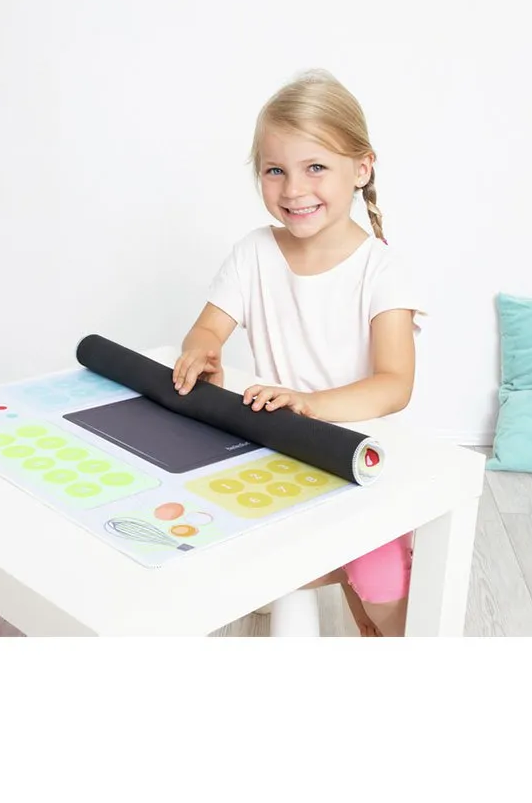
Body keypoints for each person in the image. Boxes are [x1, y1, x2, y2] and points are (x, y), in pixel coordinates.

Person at [172, 69, 425, 636]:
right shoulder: (254, 253)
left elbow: (394, 385)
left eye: (315, 167)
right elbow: (206, 329)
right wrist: (203, 351)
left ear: (361, 169)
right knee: (218, 549)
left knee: (381, 585)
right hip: (278, 456)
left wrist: (308, 404)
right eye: (275, 170)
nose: (292, 189)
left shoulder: (383, 271)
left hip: (361, 461)